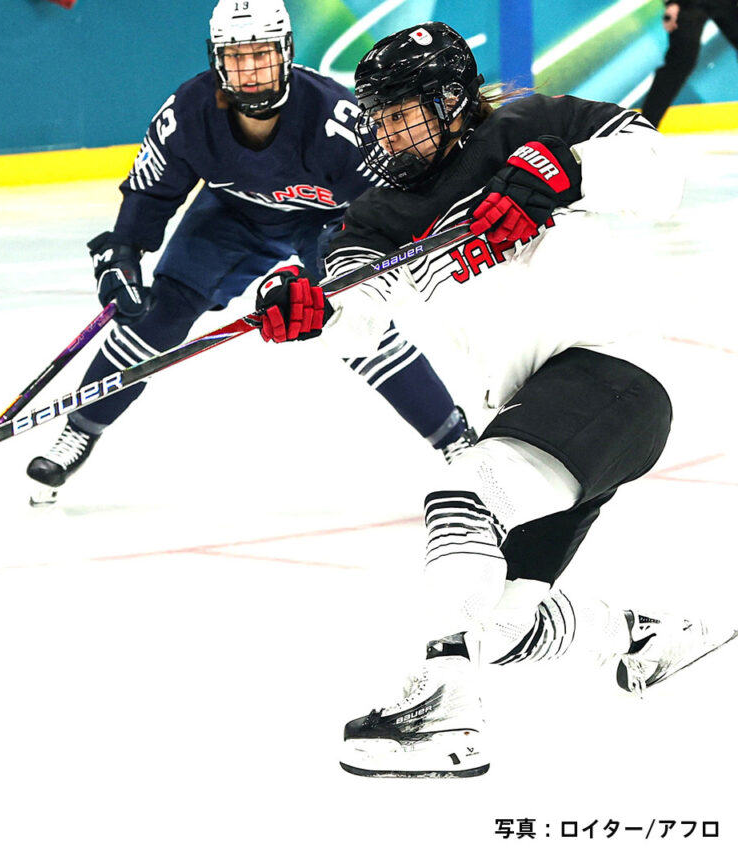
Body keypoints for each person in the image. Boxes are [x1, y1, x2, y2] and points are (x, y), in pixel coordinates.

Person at [252, 21, 736, 777]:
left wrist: (566, 170)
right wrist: (303, 305)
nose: (383, 129)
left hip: (612, 376)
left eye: (400, 110)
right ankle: (647, 638)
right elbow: (358, 305)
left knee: (460, 490)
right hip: (531, 417)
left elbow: (658, 173)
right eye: (376, 114)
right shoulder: (377, 217)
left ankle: (446, 705)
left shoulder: (532, 124)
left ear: (450, 101)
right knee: (502, 622)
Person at [24, 0, 475, 506]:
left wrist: (358, 272)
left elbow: (386, 202)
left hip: (329, 222)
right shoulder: (190, 112)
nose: (252, 72)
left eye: (262, 55)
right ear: (218, 61)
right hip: (233, 215)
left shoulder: (336, 121)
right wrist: (124, 251)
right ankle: (81, 430)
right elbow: (153, 189)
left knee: (355, 323)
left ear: (286, 52)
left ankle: (456, 442)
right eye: (238, 58)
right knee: (159, 315)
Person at [641, 0, 738, 128]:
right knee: (680, 61)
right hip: (687, 4)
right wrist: (671, 3)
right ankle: (644, 126)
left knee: (680, 62)